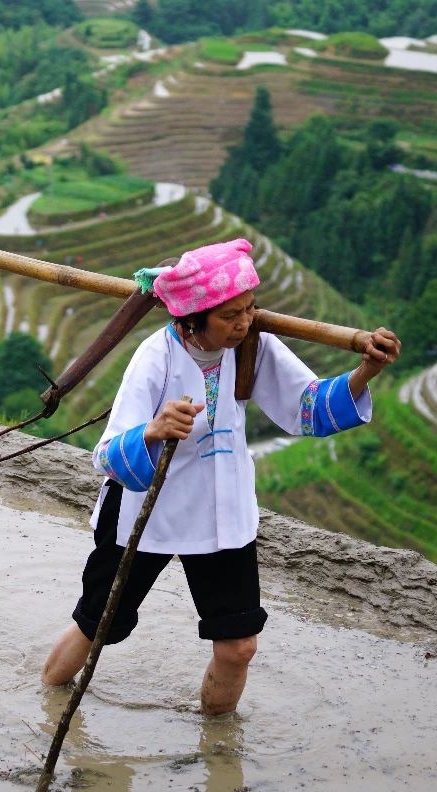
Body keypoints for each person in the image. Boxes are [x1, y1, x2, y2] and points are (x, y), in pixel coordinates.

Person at [41, 238, 400, 714]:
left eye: (250, 309)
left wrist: (364, 372)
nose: (244, 323)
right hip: (147, 513)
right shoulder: (155, 356)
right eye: (230, 316)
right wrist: (153, 429)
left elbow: (307, 407)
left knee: (238, 648)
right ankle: (45, 697)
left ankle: (218, 750)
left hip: (220, 512)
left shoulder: (252, 346)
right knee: (99, 625)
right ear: (193, 319)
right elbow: (106, 454)